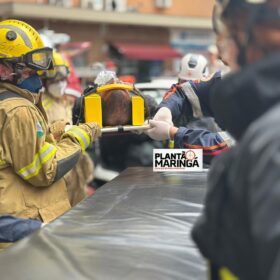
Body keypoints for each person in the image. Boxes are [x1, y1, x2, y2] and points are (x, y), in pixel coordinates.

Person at [191, 0, 280, 279]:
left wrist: (174, 135)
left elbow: (218, 145)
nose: (221, 53)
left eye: (227, 38)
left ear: (249, 37)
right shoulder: (259, 119)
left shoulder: (271, 140)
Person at [0, 19, 100, 248]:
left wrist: (55, 131)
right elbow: (43, 169)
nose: (36, 74)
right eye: (27, 68)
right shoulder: (19, 110)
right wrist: (79, 136)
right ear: (3, 70)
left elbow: (16, 149)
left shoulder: (10, 105)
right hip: (26, 231)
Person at [42, 51, 95, 206]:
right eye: (55, 79)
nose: (60, 83)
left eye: (63, 79)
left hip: (77, 164)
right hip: (59, 166)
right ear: (45, 80)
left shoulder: (69, 101)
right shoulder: (41, 105)